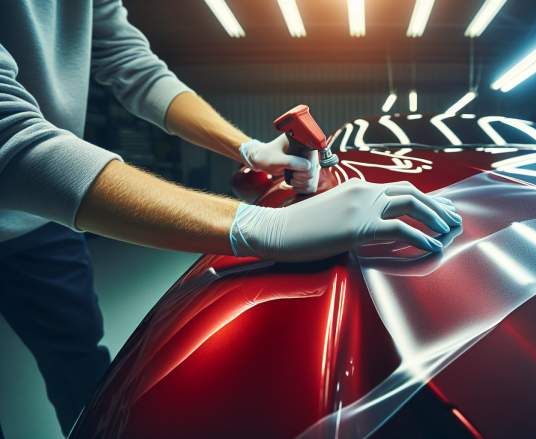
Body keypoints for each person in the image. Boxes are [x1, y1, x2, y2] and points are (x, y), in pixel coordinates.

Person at [0, 1, 462, 436]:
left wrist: (249, 149)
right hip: (32, 190)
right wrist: (262, 225)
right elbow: (8, 132)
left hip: (39, 226)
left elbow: (135, 67)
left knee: (81, 369)